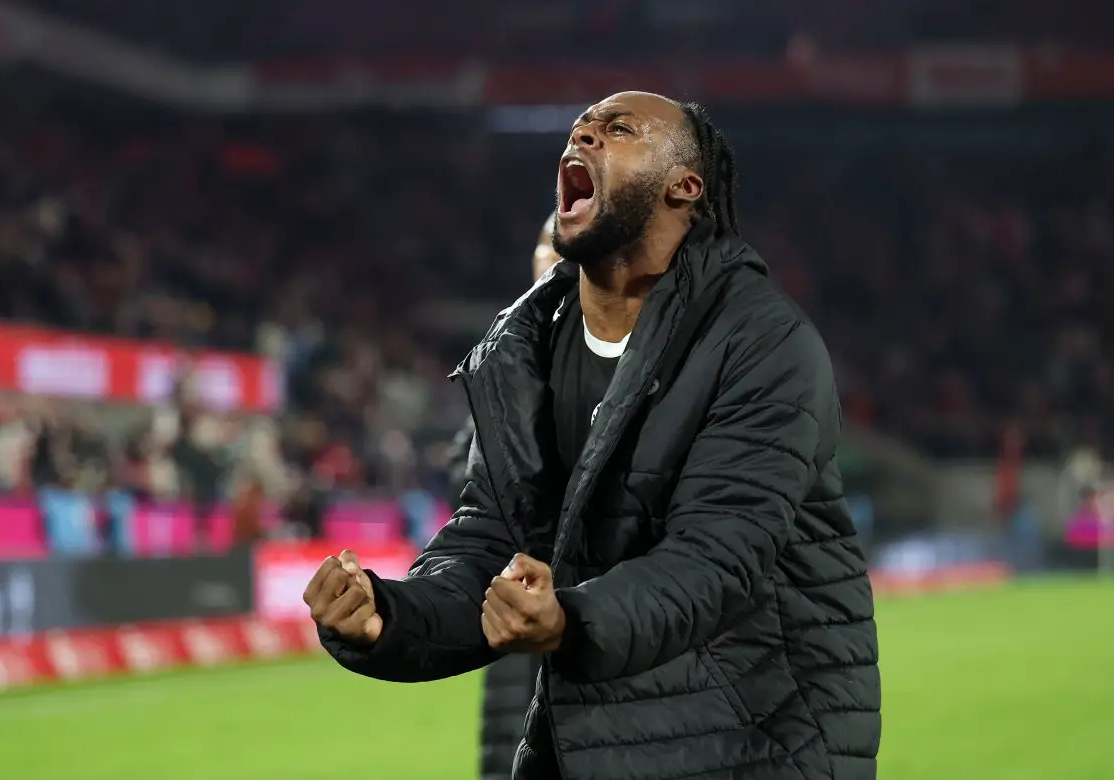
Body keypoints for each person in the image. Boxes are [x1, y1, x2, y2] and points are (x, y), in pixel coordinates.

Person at [305, 92, 881, 780]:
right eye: (579, 130)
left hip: (753, 745)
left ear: (684, 185)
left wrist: (567, 620)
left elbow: (716, 557)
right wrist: (388, 619)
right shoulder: (519, 352)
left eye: (618, 129)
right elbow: (491, 540)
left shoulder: (759, 339)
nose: (583, 138)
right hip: (588, 746)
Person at [445, 213, 561, 780]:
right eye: (547, 245)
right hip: (518, 637)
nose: (556, 257)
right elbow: (468, 492)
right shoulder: (504, 359)